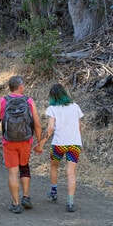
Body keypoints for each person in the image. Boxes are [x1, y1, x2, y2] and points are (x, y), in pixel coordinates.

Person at [0, 75, 42, 214]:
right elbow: (37, 123)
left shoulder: (1, 101)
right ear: (20, 87)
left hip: (9, 141)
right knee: (24, 167)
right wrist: (39, 142)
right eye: (23, 86)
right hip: (26, 141)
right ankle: (26, 196)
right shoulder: (29, 101)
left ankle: (16, 204)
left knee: (13, 172)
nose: (24, 88)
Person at [34, 83, 84, 212]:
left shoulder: (52, 108)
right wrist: (80, 142)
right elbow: (79, 127)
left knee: (54, 166)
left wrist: (41, 143)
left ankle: (54, 191)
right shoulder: (75, 106)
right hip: (74, 144)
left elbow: (50, 128)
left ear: (52, 97)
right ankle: (70, 201)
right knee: (71, 173)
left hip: (59, 144)